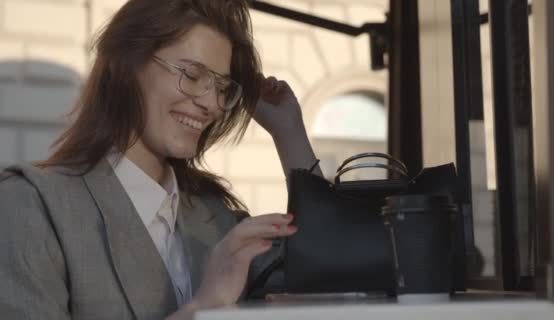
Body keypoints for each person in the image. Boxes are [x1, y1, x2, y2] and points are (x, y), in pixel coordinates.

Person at [0, 0, 322, 319]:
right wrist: (201, 310)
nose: (212, 103)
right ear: (127, 64)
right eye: (192, 74)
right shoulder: (31, 207)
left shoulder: (216, 218)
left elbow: (329, 271)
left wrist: (289, 133)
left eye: (222, 87)